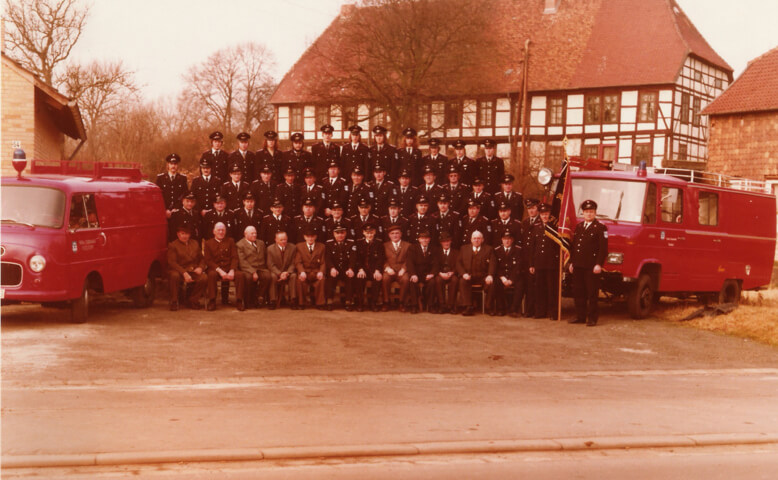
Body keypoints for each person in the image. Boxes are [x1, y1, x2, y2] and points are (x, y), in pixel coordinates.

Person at [569, 199, 608, 326]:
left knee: (592, 293)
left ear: (595, 213)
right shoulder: (579, 227)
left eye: (591, 212)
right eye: (586, 212)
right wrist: (572, 263)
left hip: (591, 266)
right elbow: (574, 247)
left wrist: (599, 264)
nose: (589, 214)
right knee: (578, 292)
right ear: (583, 213)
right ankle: (580, 316)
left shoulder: (601, 228)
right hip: (578, 265)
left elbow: (603, 249)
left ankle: (592, 318)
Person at [204, 222, 245, 311]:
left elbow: (234, 257)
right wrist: (219, 270)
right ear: (214, 232)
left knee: (240, 275)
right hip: (215, 269)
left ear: (225, 231)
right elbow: (208, 260)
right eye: (218, 230)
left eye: (223, 230)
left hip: (229, 268)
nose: (221, 232)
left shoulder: (230, 241)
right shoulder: (208, 243)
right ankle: (212, 300)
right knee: (211, 275)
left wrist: (232, 270)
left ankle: (239, 300)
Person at [529, 203, 559, 319]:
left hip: (552, 263)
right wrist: (531, 264)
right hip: (539, 263)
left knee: (552, 289)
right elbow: (532, 247)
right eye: (542, 214)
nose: (545, 216)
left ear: (550, 215)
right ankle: (540, 311)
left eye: (546, 214)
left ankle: (553, 312)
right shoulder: (536, 227)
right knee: (539, 288)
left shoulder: (555, 228)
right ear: (539, 215)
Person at [166, 224, 207, 311]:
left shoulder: (195, 243)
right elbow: (172, 262)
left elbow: (202, 259)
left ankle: (192, 300)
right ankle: (174, 301)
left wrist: (200, 267)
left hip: (193, 270)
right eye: (182, 233)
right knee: (174, 276)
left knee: (204, 278)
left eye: (187, 234)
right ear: (178, 234)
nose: (185, 236)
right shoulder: (173, 245)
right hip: (179, 270)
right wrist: (184, 272)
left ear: (190, 234)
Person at [456, 230, 495, 316]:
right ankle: (468, 306)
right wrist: (463, 274)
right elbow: (458, 263)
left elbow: (492, 263)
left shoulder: (489, 249)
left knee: (492, 283)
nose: (476, 240)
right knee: (462, 281)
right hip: (469, 276)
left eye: (478, 238)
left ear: (482, 240)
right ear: (471, 239)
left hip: (483, 277)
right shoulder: (464, 248)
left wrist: (490, 275)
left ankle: (489, 307)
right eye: (474, 238)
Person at [236, 225, 271, 309]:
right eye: (252, 233)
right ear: (245, 234)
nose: (254, 235)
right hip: (247, 269)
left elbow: (265, 256)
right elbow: (242, 261)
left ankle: (259, 296)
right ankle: (248, 301)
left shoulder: (261, 243)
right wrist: (253, 272)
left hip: (261, 267)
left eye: (255, 233)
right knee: (248, 278)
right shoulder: (240, 244)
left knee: (268, 276)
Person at [493, 229, 524, 317]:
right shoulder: (496, 250)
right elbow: (496, 266)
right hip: (502, 276)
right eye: (505, 239)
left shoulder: (518, 250)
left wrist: (511, 280)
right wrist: (502, 278)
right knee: (496, 283)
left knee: (520, 284)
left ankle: (514, 309)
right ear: (502, 240)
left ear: (512, 240)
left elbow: (518, 266)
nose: (507, 241)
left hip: (514, 276)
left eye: (509, 239)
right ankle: (501, 308)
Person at [354, 223, 385, 312]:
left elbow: (380, 258)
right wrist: (360, 269)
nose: (369, 235)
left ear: (375, 232)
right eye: (367, 233)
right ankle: (360, 303)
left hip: (373, 269)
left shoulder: (379, 243)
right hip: (362, 269)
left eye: (371, 233)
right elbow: (357, 258)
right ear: (364, 233)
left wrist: (377, 270)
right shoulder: (359, 243)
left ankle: (373, 303)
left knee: (377, 279)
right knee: (359, 278)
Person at [406, 230, 439, 313]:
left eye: (426, 238)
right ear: (419, 239)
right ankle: (414, 305)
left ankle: (430, 305)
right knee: (412, 282)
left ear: (429, 239)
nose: (424, 240)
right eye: (422, 238)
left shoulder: (434, 249)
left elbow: (436, 264)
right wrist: (413, 274)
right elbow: (410, 263)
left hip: (428, 274)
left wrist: (432, 274)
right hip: (416, 274)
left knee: (432, 282)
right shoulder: (412, 248)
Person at [325, 225, 357, 310]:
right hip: (334, 268)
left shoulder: (351, 243)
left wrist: (351, 268)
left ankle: (348, 301)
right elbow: (327, 258)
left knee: (350, 277)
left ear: (346, 233)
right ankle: (329, 300)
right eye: (337, 233)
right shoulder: (329, 243)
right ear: (334, 234)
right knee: (330, 277)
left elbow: (353, 258)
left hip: (346, 269)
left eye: (342, 233)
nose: (340, 235)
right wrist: (331, 268)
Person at [295, 227, 326, 309]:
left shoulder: (321, 246)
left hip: (316, 272)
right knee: (300, 280)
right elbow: (298, 262)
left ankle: (320, 303)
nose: (310, 238)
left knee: (321, 280)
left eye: (312, 236)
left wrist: (321, 272)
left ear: (315, 237)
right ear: (304, 237)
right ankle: (301, 303)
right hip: (305, 272)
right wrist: (301, 271)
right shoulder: (299, 246)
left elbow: (323, 262)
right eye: (308, 236)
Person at [382, 224, 411, 311]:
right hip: (389, 270)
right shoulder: (385, 245)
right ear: (389, 235)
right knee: (385, 278)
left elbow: (409, 259)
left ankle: (401, 303)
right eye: (392, 233)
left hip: (402, 271)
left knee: (406, 279)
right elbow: (382, 259)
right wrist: (387, 268)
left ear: (401, 234)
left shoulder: (407, 245)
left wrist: (404, 269)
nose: (395, 235)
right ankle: (386, 302)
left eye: (397, 233)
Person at [266, 231, 297, 309]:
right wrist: (280, 274)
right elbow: (270, 265)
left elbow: (293, 263)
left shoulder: (292, 247)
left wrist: (287, 273)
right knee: (272, 276)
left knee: (294, 276)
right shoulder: (270, 249)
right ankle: (273, 300)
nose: (284, 241)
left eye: (285, 239)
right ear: (276, 240)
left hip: (288, 272)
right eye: (281, 240)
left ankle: (293, 300)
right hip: (276, 272)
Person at [520, 198, 541, 317]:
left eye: (533, 208)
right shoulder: (525, 222)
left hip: (537, 258)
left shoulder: (541, 221)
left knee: (537, 286)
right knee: (528, 286)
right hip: (527, 259)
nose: (531, 211)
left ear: (537, 208)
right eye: (529, 209)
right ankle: (529, 309)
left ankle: (538, 310)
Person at [156, 153, 188, 218]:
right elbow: (158, 196)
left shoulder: (182, 179)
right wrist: (165, 209)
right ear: (168, 165)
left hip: (178, 212)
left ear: (178, 165)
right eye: (171, 164)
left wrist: (176, 208)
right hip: (164, 212)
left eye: (175, 164)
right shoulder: (161, 178)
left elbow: (185, 195)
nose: (173, 166)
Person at [434, 231, 459, 314]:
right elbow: (434, 265)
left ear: (451, 241)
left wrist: (452, 272)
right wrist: (440, 273)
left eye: (448, 241)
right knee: (438, 280)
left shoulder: (456, 252)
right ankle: (442, 305)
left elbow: (458, 265)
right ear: (441, 243)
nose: (446, 243)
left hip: (451, 274)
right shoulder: (436, 252)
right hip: (440, 274)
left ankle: (451, 305)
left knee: (455, 280)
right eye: (444, 241)